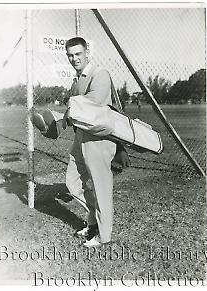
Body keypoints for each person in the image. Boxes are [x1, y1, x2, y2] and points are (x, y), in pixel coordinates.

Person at [63, 37, 129, 247]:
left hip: (99, 139)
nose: (74, 59)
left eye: (78, 54)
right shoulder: (77, 79)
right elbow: (76, 109)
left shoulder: (100, 73)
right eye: (70, 55)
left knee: (101, 187)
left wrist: (69, 107)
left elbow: (94, 101)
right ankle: (93, 222)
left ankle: (104, 235)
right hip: (81, 137)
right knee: (72, 183)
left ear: (87, 52)